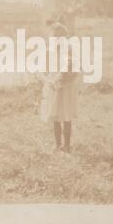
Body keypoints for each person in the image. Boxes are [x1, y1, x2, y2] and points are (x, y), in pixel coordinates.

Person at [41, 20, 79, 153]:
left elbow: (73, 70)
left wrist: (62, 79)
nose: (57, 39)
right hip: (53, 85)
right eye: (54, 36)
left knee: (66, 115)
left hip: (66, 86)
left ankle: (67, 145)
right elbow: (45, 70)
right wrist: (49, 80)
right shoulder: (49, 51)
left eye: (60, 36)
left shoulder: (69, 51)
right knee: (54, 115)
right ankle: (58, 145)